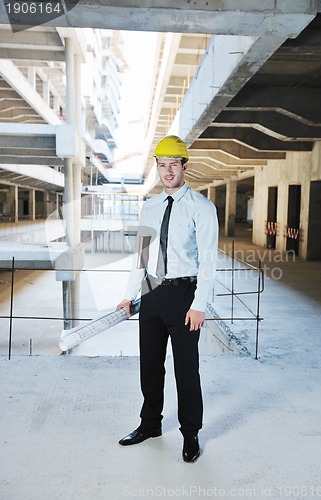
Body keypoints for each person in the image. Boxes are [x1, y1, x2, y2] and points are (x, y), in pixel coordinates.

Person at [116, 135, 218, 463]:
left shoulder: (201, 207)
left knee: (187, 369)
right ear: (157, 167)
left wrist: (200, 304)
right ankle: (150, 425)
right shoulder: (149, 206)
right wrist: (129, 296)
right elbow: (142, 256)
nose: (168, 170)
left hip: (185, 294)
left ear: (184, 166)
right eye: (162, 164)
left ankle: (190, 434)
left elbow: (209, 261)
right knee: (150, 365)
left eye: (174, 164)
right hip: (152, 290)